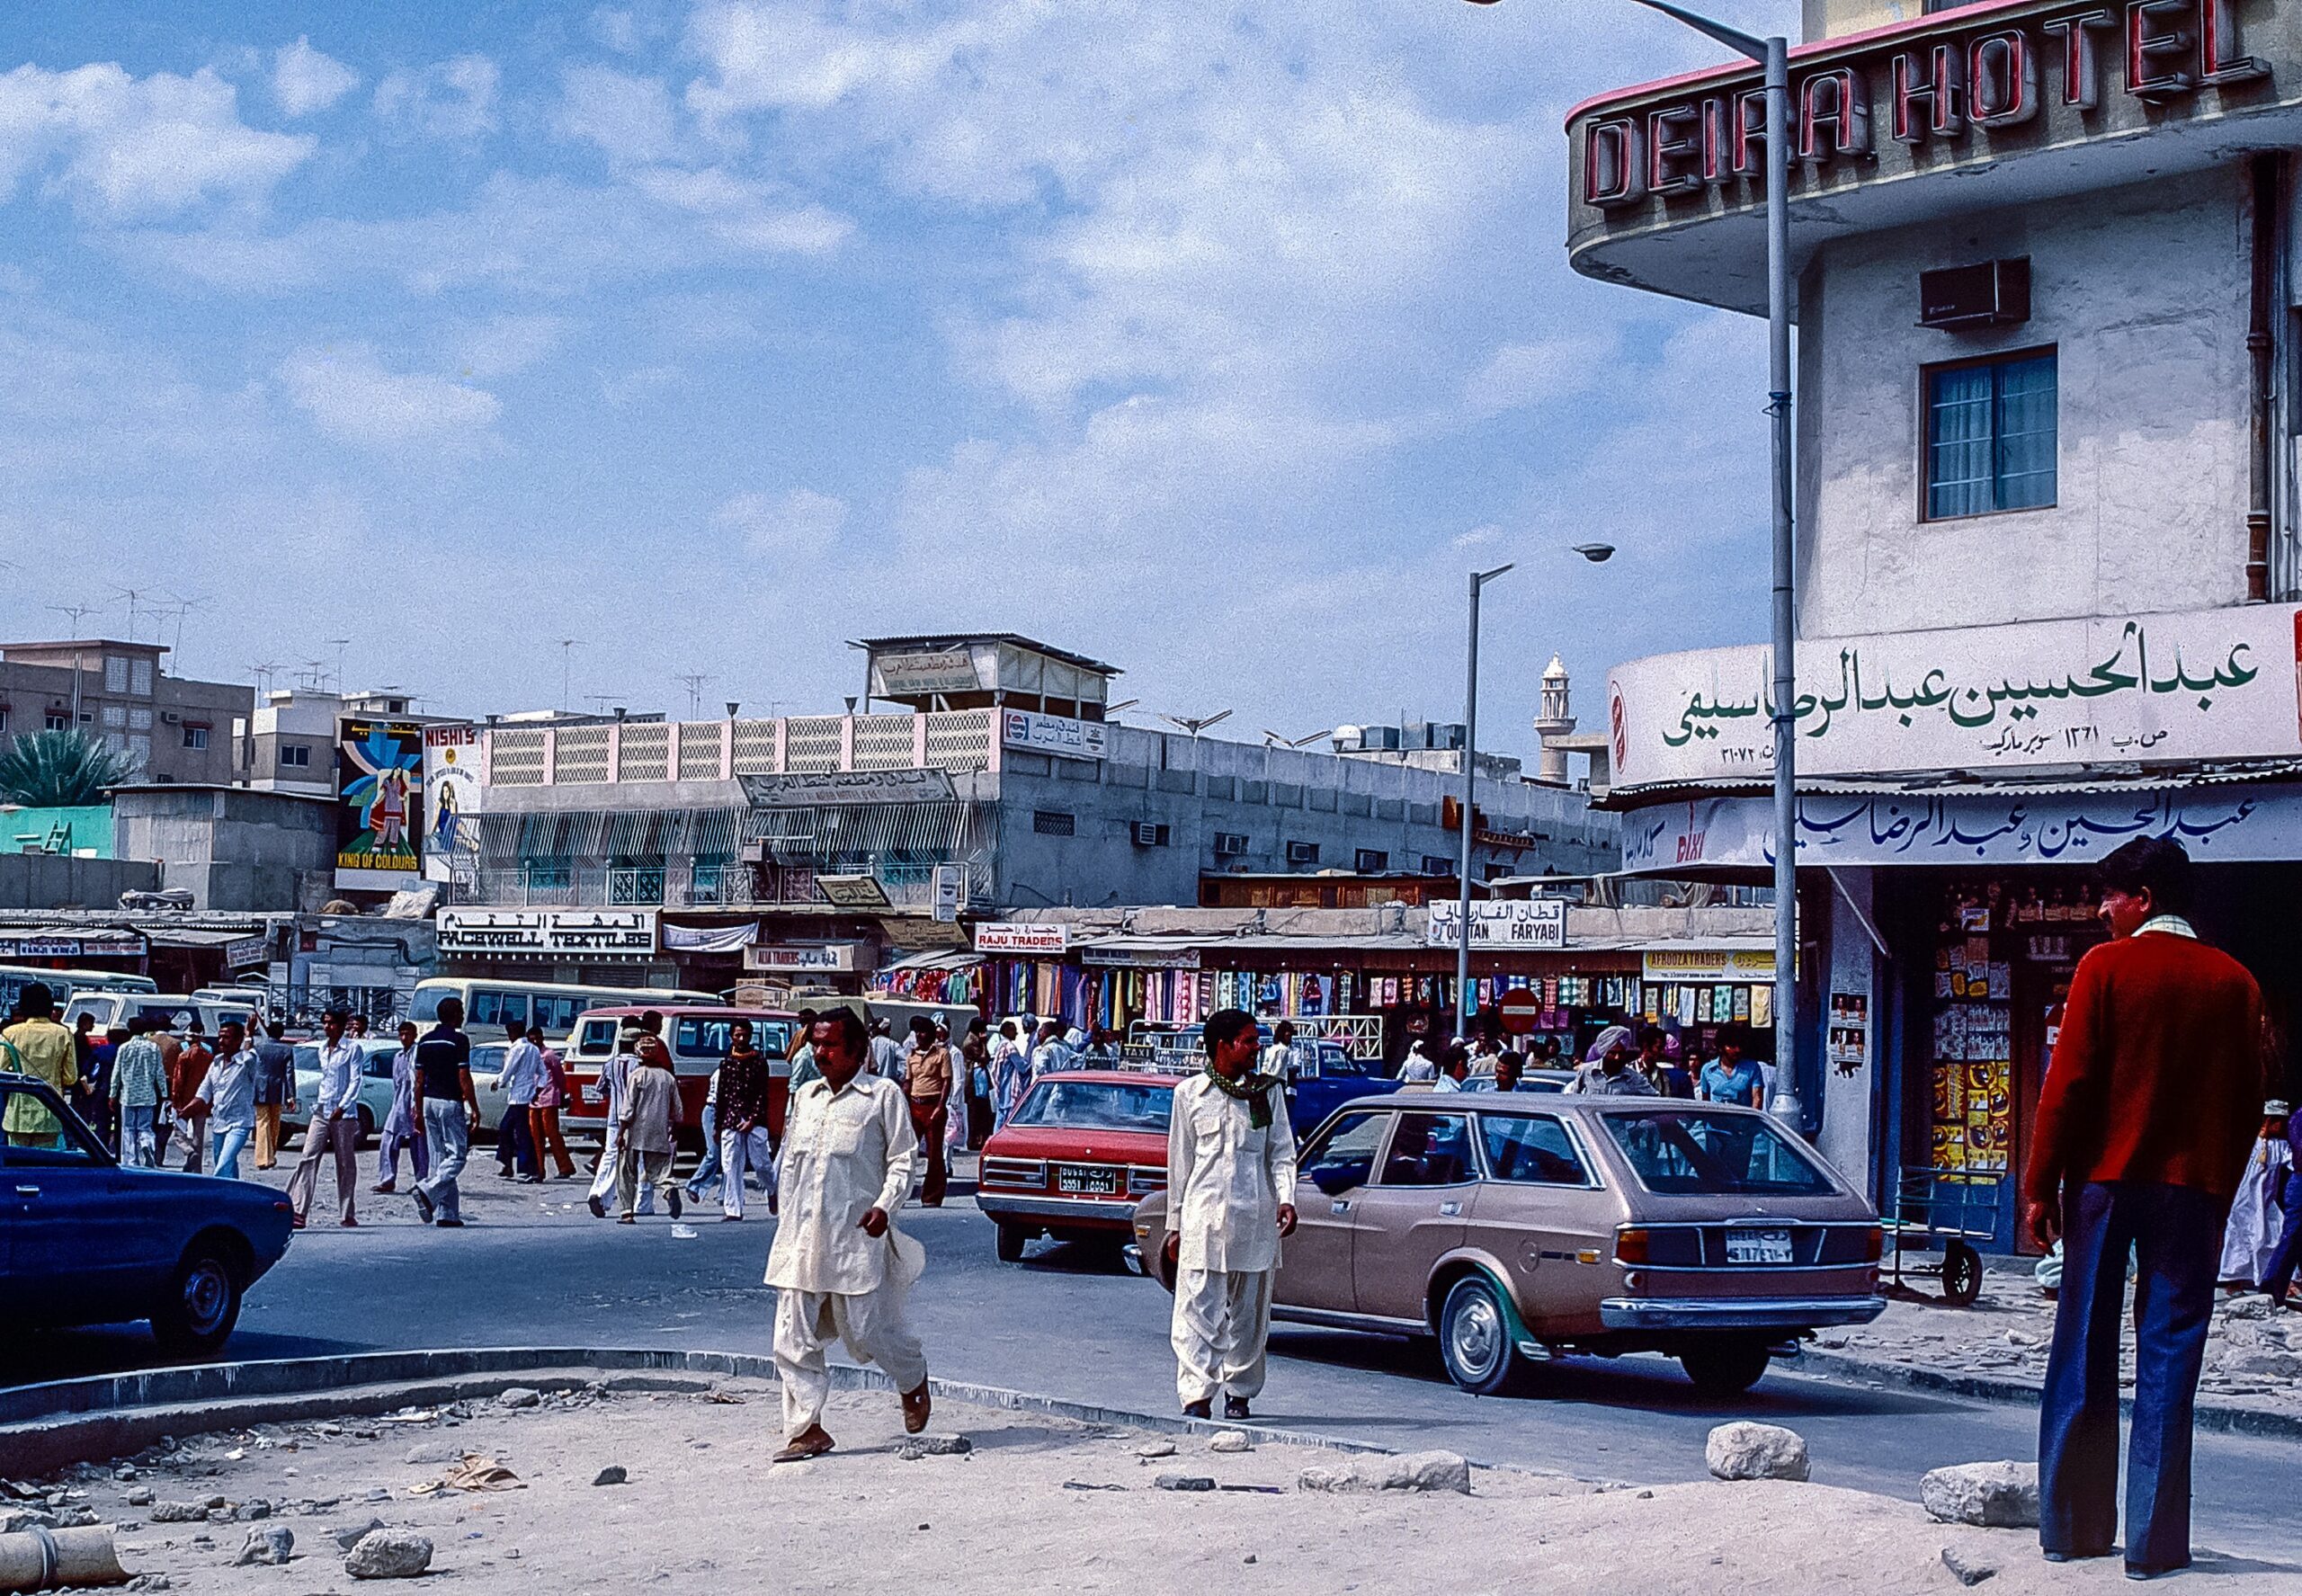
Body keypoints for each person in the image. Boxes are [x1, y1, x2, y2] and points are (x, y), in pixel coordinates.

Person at [2025, 837, 2267, 1579]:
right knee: (2170, 1357)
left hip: (2104, 1183)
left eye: (2111, 896)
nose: (2102, 911)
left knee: (2083, 1348)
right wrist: (2220, 1190)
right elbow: (2247, 1101)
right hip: (2192, 1190)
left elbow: (2066, 1088)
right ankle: (2153, 1546)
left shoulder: (2105, 967)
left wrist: (2038, 1186)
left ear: (2146, 898)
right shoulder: (2237, 983)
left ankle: (2073, 1525)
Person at [765, 1007, 932, 1461]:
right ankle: (807, 1428)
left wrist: (885, 1206)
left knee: (866, 1332)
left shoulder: (883, 1096)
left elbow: (902, 1159)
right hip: (800, 1237)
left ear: (858, 1051)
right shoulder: (806, 1098)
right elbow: (791, 1162)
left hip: (855, 1238)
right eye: (815, 1044)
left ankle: (912, 1377)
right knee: (791, 1336)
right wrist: (783, 1212)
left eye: (830, 1045)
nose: (820, 1053)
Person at [1163, 1008, 1297, 1421]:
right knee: (1196, 1312)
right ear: (1223, 1046)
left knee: (1249, 1316)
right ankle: (1196, 1396)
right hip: (1203, 1221)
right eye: (1249, 1041)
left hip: (1255, 1220)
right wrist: (1173, 1226)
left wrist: (1287, 1199)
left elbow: (1282, 1153)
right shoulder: (1189, 1095)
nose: (1258, 1049)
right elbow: (1179, 1166)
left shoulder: (1267, 1093)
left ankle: (1239, 1393)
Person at [288, 1011, 362, 1228]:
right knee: (308, 1157)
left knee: (345, 1163)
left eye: (331, 1024)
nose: (327, 1027)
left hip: (343, 1114)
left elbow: (355, 1081)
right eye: (325, 1024)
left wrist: (342, 1106)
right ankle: (299, 1210)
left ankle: (347, 1213)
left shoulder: (353, 1049)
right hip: (322, 1110)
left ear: (341, 1026)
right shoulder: (321, 1049)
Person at [411, 997, 480, 1228]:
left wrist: (418, 1110)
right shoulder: (459, 1040)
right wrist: (474, 1107)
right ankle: (428, 1190)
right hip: (449, 1102)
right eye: (460, 1011)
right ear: (453, 1015)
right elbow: (464, 1077)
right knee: (457, 1156)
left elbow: (418, 1080)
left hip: (429, 1100)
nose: (462, 1015)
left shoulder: (425, 1041)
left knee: (440, 1156)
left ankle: (447, 1213)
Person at [2218, 1100, 2293, 1292]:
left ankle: (2267, 1279)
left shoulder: (2280, 1145)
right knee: (2239, 1237)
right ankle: (2234, 1279)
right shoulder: (2249, 1141)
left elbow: (2292, 1161)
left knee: (2270, 1237)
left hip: (2265, 1201)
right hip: (2243, 1199)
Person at [615, 1038, 683, 1223]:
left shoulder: (637, 1075)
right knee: (659, 1171)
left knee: (626, 1171)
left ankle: (627, 1212)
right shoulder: (667, 1077)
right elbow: (678, 1109)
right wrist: (675, 1128)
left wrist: (621, 1133)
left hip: (635, 1130)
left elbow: (628, 1107)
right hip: (659, 1129)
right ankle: (669, 1189)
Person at [2, 984, 76, 1149]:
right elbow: (70, 1077)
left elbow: (1, 1070)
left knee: (17, 1168)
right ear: (49, 1005)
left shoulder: (10, 1033)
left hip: (17, 1115)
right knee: (43, 1168)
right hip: (51, 1112)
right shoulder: (63, 1034)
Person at [717, 1018, 777, 1221]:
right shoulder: (726, 1063)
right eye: (737, 1035)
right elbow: (722, 1096)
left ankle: (772, 1189)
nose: (741, 1039)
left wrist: (752, 1119)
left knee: (761, 1164)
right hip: (730, 1120)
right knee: (731, 1165)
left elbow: (762, 1094)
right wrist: (718, 1126)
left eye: (745, 1035)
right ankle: (733, 1209)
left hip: (755, 1121)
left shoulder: (759, 1061)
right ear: (731, 1037)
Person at [193, 1019, 260, 1180]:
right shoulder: (215, 1063)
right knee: (226, 1165)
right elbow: (204, 1092)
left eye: (227, 1037)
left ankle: (211, 1196)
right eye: (220, 1037)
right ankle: (233, 1197)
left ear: (238, 1040)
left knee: (224, 1163)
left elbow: (249, 1058)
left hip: (239, 1123)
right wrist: (184, 1110)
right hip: (219, 1122)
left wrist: (249, 1035)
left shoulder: (246, 1062)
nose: (221, 1041)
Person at [903, 1017, 953, 1208]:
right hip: (915, 1107)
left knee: (934, 1153)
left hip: (933, 1106)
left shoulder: (942, 1054)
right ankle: (901, 1193)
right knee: (907, 1151)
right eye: (917, 1032)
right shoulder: (911, 1057)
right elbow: (908, 1082)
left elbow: (946, 1082)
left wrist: (941, 1107)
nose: (919, 1036)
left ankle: (932, 1195)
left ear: (932, 1035)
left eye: (923, 1032)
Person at [375, 1021, 428, 1194]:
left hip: (415, 1104)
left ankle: (422, 1182)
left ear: (414, 1035)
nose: (404, 1038)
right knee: (388, 1141)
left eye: (408, 1034)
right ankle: (387, 1179)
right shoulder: (398, 1057)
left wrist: (417, 1106)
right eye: (402, 1034)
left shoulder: (418, 1053)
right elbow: (396, 1083)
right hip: (399, 1105)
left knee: (418, 1145)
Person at [110, 1016, 169, 1167]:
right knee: (145, 1127)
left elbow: (116, 1073)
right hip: (148, 1095)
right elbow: (159, 1073)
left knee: (128, 1129)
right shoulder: (153, 1048)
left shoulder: (124, 1048)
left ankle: (130, 1161)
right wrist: (164, 1093)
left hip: (128, 1096)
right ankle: (146, 1145)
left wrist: (112, 1094)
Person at [494, 1021, 543, 1181]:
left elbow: (509, 1069)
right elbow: (543, 1073)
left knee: (516, 1132)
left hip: (518, 1096)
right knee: (511, 1130)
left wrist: (498, 1082)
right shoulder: (534, 1049)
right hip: (527, 1094)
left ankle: (529, 1168)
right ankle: (509, 1165)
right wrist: (538, 1089)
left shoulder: (517, 1048)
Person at [530, 1026, 576, 1179]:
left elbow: (560, 1077)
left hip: (549, 1098)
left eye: (538, 1038)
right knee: (535, 1136)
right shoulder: (529, 1055)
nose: (535, 1041)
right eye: (532, 1039)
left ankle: (565, 1166)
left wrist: (563, 1093)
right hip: (533, 1099)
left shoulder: (549, 1055)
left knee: (552, 1134)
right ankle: (539, 1170)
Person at [251, 1021, 299, 1169]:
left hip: (260, 1087)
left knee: (262, 1121)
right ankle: (270, 1156)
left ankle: (263, 1158)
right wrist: (292, 1095)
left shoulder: (258, 1047)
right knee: (275, 1123)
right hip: (279, 1088)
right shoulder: (286, 1050)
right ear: (282, 1034)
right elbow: (289, 1073)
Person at [167, 1021, 211, 1172]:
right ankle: (196, 1167)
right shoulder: (209, 1056)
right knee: (199, 1135)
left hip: (185, 1101)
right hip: (202, 1101)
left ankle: (189, 1152)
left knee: (178, 1134)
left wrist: (175, 1102)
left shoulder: (184, 1056)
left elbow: (178, 1081)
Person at [1697, 1027, 1764, 1108]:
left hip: (1742, 1118)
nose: (1737, 1050)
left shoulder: (1752, 1068)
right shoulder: (1708, 1070)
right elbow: (1705, 1101)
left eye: (1739, 1045)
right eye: (1732, 1046)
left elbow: (1757, 1099)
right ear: (1721, 1048)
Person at [1573, 1040, 1659, 1097]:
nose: (1617, 1057)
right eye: (1612, 1053)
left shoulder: (1634, 1078)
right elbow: (1573, 1097)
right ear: (1604, 1053)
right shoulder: (1587, 1071)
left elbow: (1655, 1098)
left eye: (1621, 1054)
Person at [959, 1018, 994, 1147]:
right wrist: (984, 1044)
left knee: (983, 1112)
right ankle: (973, 1140)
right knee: (975, 1113)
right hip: (973, 1082)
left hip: (979, 1081)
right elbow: (984, 1058)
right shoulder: (971, 1043)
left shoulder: (976, 1041)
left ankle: (980, 1138)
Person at [990, 1020, 1029, 1128]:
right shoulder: (1009, 1047)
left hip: (1002, 1087)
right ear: (1007, 1031)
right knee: (1007, 1117)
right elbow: (1022, 1067)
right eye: (1014, 1030)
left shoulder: (1000, 1045)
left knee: (1000, 1116)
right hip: (1008, 1087)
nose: (1016, 1033)